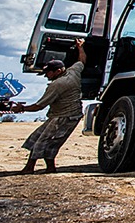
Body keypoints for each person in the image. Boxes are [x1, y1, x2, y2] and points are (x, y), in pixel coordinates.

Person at [14, 38, 86, 173]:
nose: (46, 76)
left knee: (44, 141)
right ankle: (50, 168)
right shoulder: (73, 72)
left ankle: (30, 168)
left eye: (48, 73)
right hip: (60, 115)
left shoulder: (58, 84)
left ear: (58, 71)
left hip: (65, 117)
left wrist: (21, 108)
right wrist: (80, 47)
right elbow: (81, 61)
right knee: (41, 138)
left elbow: (39, 106)